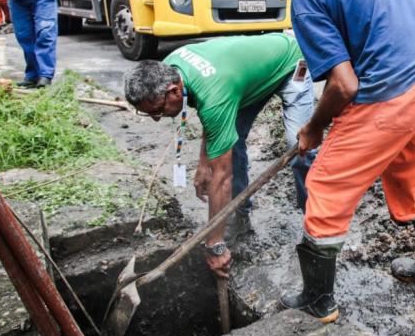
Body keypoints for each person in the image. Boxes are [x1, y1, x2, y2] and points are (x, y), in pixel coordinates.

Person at [243, 0, 415, 324]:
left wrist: (313, 127)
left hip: (391, 91)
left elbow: (344, 85)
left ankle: (317, 300)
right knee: (406, 175)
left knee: (325, 185)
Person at [123, 33, 316, 279]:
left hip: (290, 63)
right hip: (242, 79)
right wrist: (203, 165)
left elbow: (222, 176)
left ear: (174, 91)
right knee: (232, 145)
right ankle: (241, 215)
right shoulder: (171, 68)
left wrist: (214, 243)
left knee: (300, 148)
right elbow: (211, 117)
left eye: (158, 111)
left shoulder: (212, 94)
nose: (156, 119)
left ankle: (314, 220)